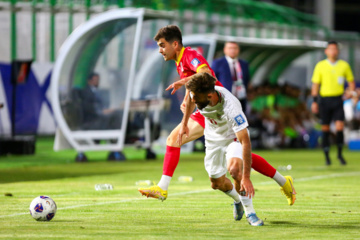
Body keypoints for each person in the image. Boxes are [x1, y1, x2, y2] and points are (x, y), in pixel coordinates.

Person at [138, 25, 296, 207]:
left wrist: (183, 82)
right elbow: (196, 86)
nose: (160, 50)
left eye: (162, 45)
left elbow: (205, 74)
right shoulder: (179, 60)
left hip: (221, 110)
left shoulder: (190, 55)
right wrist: (188, 103)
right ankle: (163, 187)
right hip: (206, 111)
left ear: (175, 44)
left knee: (242, 156)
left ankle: (283, 182)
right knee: (174, 139)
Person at [184, 72, 264, 225]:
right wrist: (183, 125)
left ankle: (251, 213)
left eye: (195, 96)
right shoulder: (198, 95)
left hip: (231, 137)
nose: (192, 99)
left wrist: (246, 177)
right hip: (213, 139)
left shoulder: (231, 108)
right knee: (216, 183)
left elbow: (245, 142)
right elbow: (189, 100)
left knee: (235, 170)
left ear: (209, 95)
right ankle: (237, 200)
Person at [311, 41, 356, 165]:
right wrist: (315, 102)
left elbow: (351, 82)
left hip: (338, 100)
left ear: (338, 51)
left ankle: (340, 154)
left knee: (339, 127)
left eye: (335, 49)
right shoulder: (320, 66)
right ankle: (327, 157)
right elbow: (315, 85)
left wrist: (350, 92)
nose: (333, 51)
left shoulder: (344, 65)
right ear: (326, 51)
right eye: (330, 49)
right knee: (325, 128)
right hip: (324, 100)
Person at [211, 42, 250, 113]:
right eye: (230, 48)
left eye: (235, 48)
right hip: (223, 99)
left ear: (238, 50)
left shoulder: (244, 64)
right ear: (225, 50)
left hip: (240, 98)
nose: (232, 50)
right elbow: (212, 80)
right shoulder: (218, 63)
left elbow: (246, 80)